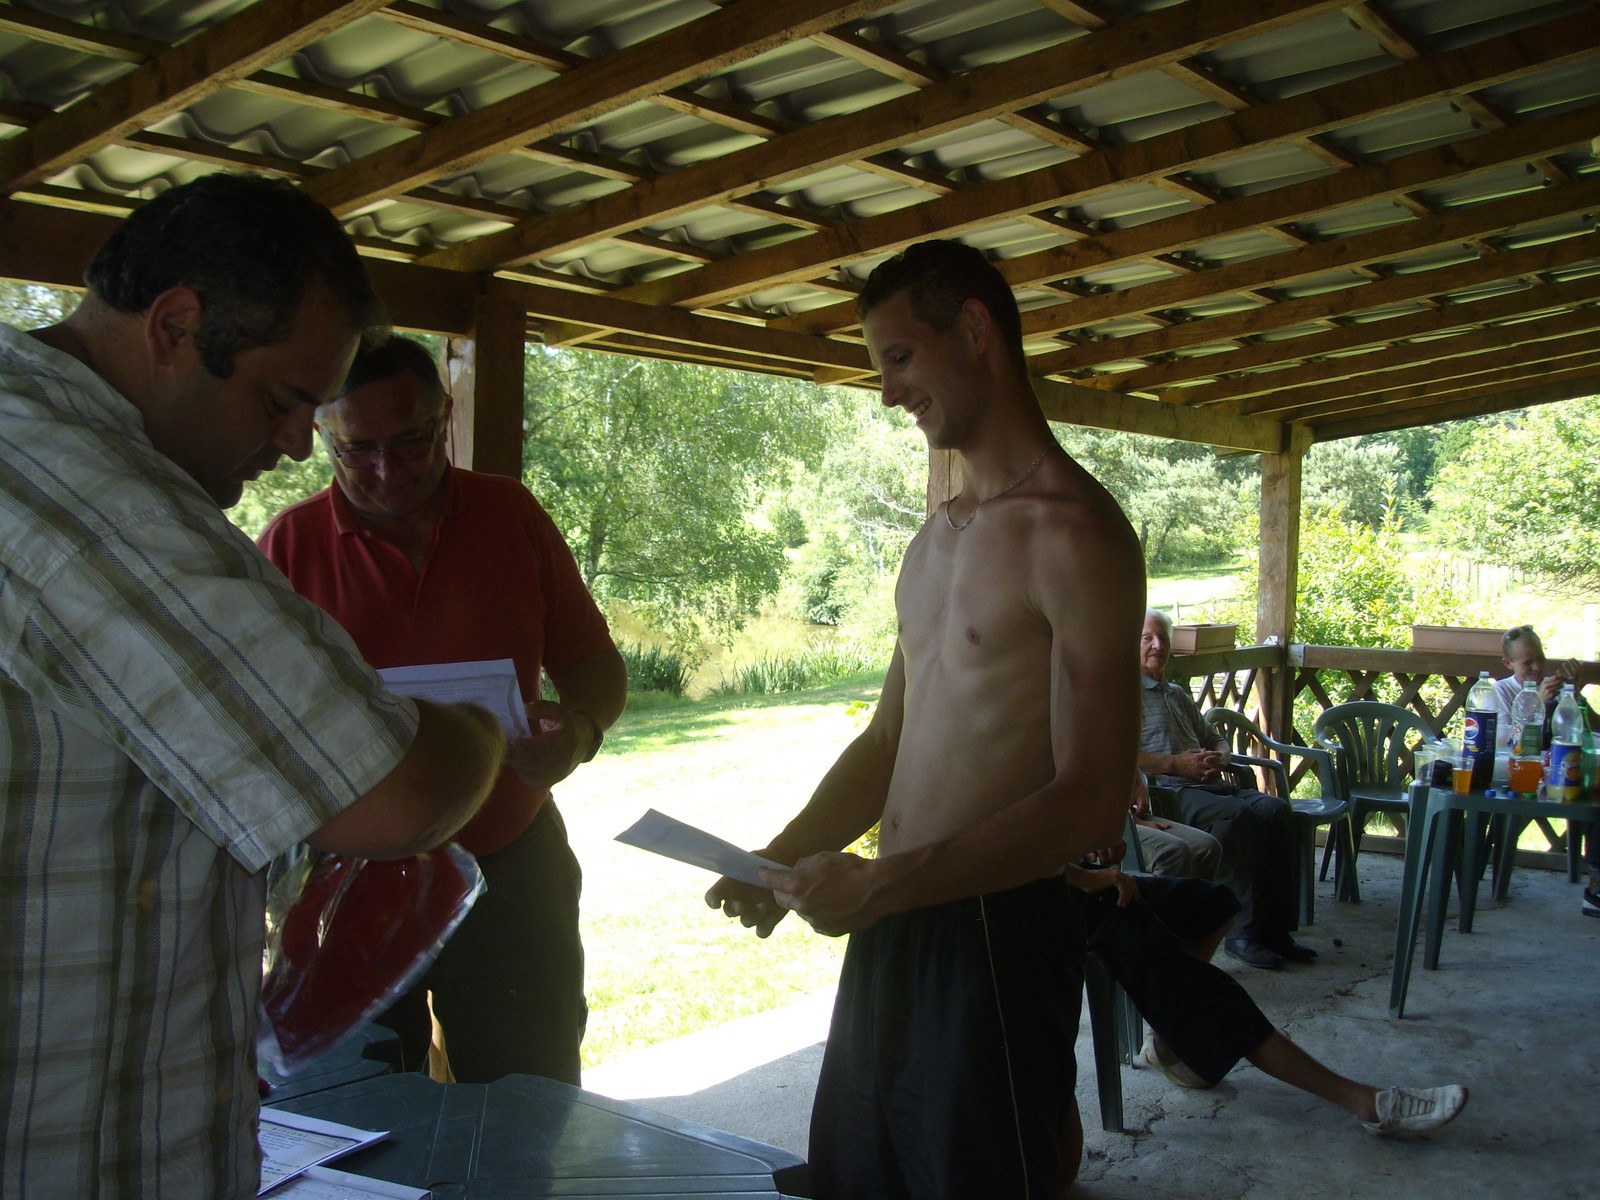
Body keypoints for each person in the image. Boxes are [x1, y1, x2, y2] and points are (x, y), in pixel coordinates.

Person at [0, 174, 512, 1199]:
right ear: (175, 326)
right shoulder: (79, 492)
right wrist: (478, 735)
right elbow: (392, 794)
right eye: (283, 402)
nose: (295, 445)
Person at [705, 239, 1145, 1199]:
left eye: (899, 357)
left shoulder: (1078, 532)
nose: (887, 392)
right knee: (864, 1176)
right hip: (896, 920)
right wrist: (781, 857)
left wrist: (886, 883)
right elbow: (886, 744)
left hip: (995, 928)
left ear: (975, 329)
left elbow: (1092, 798)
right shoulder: (931, 542)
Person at [259, 334, 627, 1085]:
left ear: (446, 416)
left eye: (411, 441)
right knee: (353, 1104)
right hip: (346, 877)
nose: (386, 470)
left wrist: (581, 731)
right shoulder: (290, 544)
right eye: (357, 450)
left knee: (529, 1097)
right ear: (322, 433)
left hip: (511, 861)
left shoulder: (509, 513)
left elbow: (592, 661)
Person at [1065, 841, 1468, 1135]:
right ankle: (1367, 1103)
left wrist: (1096, 840)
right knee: (1217, 1001)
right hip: (1062, 901)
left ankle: (1175, 1035)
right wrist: (1089, 876)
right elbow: (1029, 849)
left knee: (1214, 901)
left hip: (1082, 876)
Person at [1137, 609, 1312, 970]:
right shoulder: (1124, 696)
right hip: (1169, 793)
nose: (1157, 645)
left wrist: (1220, 757)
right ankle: (1243, 934)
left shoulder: (1176, 693)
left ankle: (1276, 930)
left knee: (1276, 811)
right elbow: (1120, 758)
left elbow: (1214, 738)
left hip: (1209, 784)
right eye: (1146, 638)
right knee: (1236, 816)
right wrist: (1175, 764)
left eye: (1163, 638)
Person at [1491, 624, 1600, 917]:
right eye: (1527, 663)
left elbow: (1595, 731)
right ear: (1508, 664)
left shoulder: (1559, 689)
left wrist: (1575, 697)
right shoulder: (1500, 691)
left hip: (1564, 775)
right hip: (1519, 777)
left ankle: (1596, 883)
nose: (1538, 667)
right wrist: (1536, 700)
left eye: (1540, 658)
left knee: (1595, 793)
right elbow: (1503, 741)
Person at [1131, 769, 1223, 880]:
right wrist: (1132, 822)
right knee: (1174, 852)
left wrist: (1140, 783)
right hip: (1116, 823)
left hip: (1131, 813)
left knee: (1208, 847)